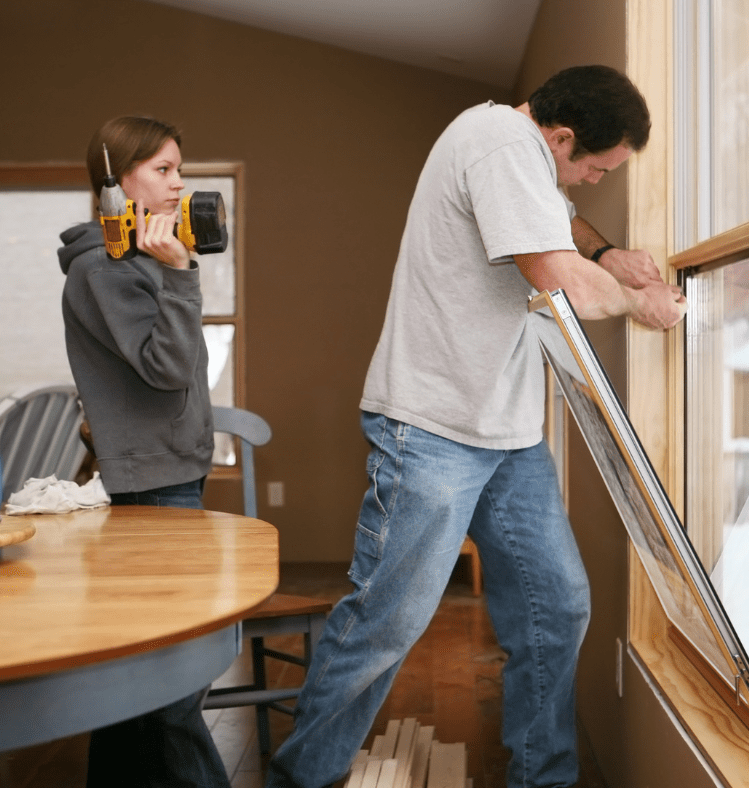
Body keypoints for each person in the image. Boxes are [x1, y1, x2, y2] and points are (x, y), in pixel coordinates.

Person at [266, 65, 686, 788]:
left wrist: (606, 250)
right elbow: (558, 277)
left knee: (556, 605)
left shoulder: (523, 156)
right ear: (559, 136)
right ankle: (298, 779)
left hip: (509, 434)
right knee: (387, 620)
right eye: (594, 165)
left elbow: (560, 222)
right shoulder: (497, 141)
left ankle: (541, 778)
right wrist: (639, 301)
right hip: (434, 426)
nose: (591, 180)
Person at [59, 116, 227, 788]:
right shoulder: (104, 269)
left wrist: (173, 269)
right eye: (161, 170)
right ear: (114, 182)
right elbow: (166, 371)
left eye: (178, 169)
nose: (177, 183)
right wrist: (182, 275)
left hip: (172, 471)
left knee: (138, 677)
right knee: (172, 680)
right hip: (155, 484)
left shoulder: (136, 261)